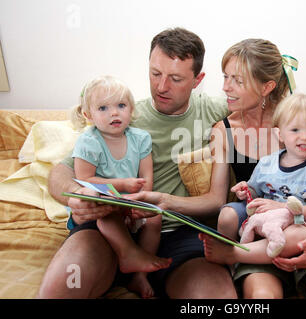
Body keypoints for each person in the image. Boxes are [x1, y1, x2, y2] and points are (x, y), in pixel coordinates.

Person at [38, 28, 236, 299]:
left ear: (197, 80)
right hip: (110, 228)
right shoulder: (121, 114)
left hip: (178, 232)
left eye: (176, 78)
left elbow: (273, 110)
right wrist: (74, 199)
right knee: (60, 290)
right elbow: (62, 172)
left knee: (216, 297)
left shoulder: (212, 110)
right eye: (155, 74)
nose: (161, 86)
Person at [194, 38, 306, 299]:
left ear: (267, 87)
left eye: (237, 80)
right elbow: (220, 198)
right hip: (262, 238)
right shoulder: (224, 130)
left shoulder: (300, 126)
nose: (225, 87)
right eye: (225, 77)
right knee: (263, 297)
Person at [69, 75, 171, 298]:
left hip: (132, 202)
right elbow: (84, 179)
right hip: (101, 206)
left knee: (155, 216)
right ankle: (128, 254)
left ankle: (139, 276)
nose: (114, 113)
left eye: (121, 105)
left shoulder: (141, 138)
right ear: (88, 115)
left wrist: (141, 201)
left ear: (131, 110)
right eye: (103, 108)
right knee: (106, 208)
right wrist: (122, 185)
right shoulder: (89, 141)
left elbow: (146, 177)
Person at [215, 93, 306, 257]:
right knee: (226, 216)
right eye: (295, 130)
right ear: (279, 134)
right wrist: (245, 190)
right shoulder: (267, 162)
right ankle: (232, 257)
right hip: (264, 219)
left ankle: (235, 255)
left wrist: (282, 207)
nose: (305, 136)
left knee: (298, 236)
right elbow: (254, 192)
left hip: (297, 223)